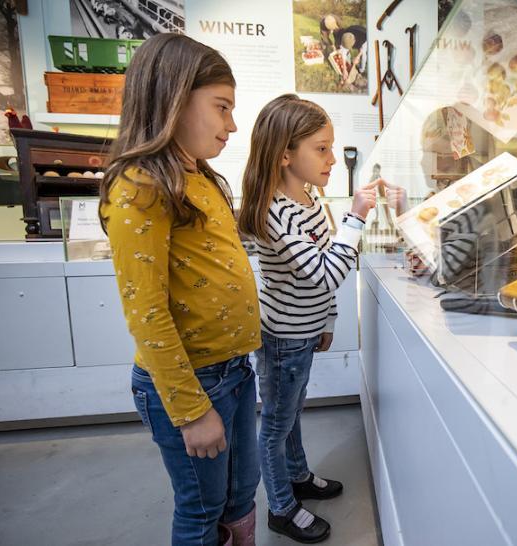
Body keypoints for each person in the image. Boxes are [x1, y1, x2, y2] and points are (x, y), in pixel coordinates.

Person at [99, 33, 261, 546]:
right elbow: (146, 313)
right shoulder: (141, 187)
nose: (232, 125)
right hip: (190, 384)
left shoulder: (204, 179)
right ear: (172, 98)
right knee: (202, 507)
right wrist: (191, 411)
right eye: (221, 108)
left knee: (241, 493)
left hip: (235, 370)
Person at [238, 93, 379, 543]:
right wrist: (355, 218)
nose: (332, 158)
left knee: (292, 412)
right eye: (321, 148)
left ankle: (297, 477)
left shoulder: (310, 198)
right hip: (281, 337)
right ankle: (280, 505)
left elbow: (323, 270)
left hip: (303, 332)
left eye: (331, 147)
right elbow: (325, 272)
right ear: (285, 154)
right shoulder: (274, 213)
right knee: (276, 423)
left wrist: (328, 320)